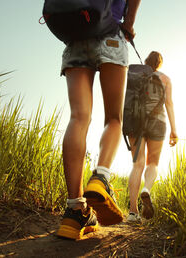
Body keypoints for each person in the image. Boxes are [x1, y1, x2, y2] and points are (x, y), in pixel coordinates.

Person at [56, 0, 142, 240]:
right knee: (113, 118)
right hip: (111, 33)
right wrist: (130, 24)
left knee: (78, 117)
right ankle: (100, 178)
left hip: (76, 36)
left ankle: (75, 210)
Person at [127, 51, 178, 223]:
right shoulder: (165, 79)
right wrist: (174, 130)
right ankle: (147, 189)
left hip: (135, 121)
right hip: (158, 122)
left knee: (137, 164)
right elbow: (169, 104)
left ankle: (133, 213)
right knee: (153, 163)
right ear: (160, 64)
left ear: (147, 61)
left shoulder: (136, 75)